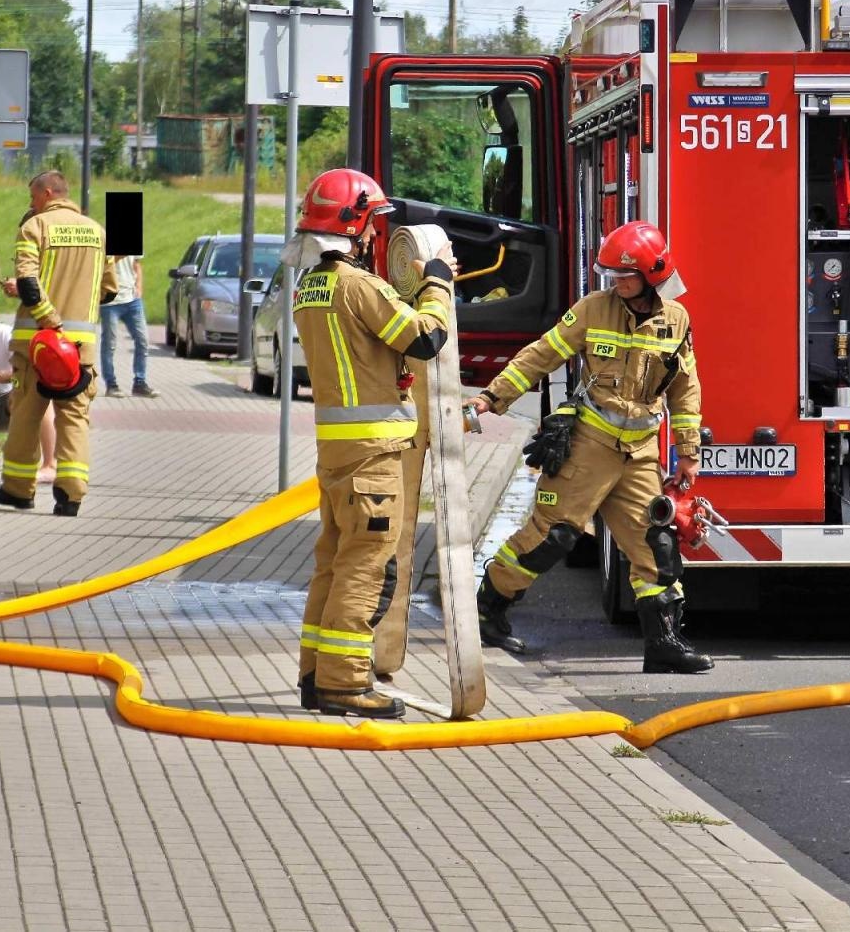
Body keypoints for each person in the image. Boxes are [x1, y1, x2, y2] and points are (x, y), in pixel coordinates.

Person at [466, 221, 712, 674]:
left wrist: (689, 452)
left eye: (625, 275)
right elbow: (542, 354)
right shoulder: (594, 309)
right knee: (552, 536)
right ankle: (487, 610)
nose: (616, 283)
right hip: (589, 445)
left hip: (639, 453)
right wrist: (491, 397)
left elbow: (685, 388)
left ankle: (664, 644)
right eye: (611, 275)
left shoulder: (676, 320)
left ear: (653, 274)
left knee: (655, 546)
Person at [288, 167, 455, 719]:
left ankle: (315, 675)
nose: (373, 234)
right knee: (367, 567)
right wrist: (437, 282)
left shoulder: (309, 287)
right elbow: (425, 339)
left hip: (338, 456)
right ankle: (344, 683)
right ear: (354, 225)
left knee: (333, 563)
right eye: (370, 223)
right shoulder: (359, 287)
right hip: (373, 457)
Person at [0, 170, 116, 517]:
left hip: (37, 344)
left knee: (25, 415)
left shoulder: (35, 227)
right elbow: (109, 290)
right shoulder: (98, 232)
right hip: (80, 348)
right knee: (74, 418)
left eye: (33, 197)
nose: (31, 203)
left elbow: (28, 281)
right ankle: (71, 495)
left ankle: (18, 490)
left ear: (47, 193)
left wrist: (50, 318)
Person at [0, 298, 59, 480]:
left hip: (6, 397)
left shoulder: (5, 334)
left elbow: (21, 371)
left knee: (40, 400)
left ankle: (50, 463)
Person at [99, 253, 158, 398]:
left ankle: (140, 383)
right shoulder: (103, 240)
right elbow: (101, 264)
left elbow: (137, 264)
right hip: (110, 301)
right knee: (109, 344)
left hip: (132, 300)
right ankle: (111, 385)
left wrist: (139, 288)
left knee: (143, 340)